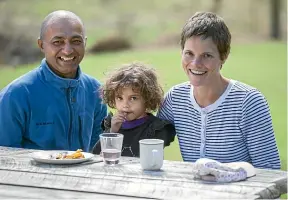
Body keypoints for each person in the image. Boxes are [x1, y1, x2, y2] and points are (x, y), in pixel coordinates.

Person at [157, 12, 281, 169]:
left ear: (224, 56)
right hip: (193, 193)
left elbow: (270, 170)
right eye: (189, 53)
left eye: (207, 55)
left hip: (242, 193)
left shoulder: (248, 102)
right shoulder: (175, 99)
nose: (195, 63)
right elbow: (149, 139)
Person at [0, 10, 107, 152]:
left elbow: (97, 154)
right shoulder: (15, 96)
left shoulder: (95, 91)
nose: (68, 50)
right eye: (58, 42)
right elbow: (5, 159)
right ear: (41, 45)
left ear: (85, 43)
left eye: (76, 41)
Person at [92, 63, 176, 157]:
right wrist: (112, 132)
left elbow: (150, 158)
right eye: (120, 98)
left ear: (148, 98)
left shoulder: (156, 129)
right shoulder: (112, 125)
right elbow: (96, 155)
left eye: (133, 98)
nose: (125, 105)